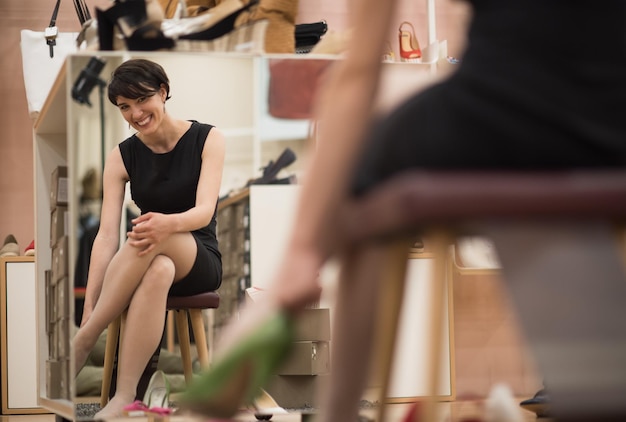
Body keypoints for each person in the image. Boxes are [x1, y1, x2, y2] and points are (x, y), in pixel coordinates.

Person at [180, 0, 626, 421]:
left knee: (365, 158)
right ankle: (592, 383)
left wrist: (300, 259)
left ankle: (337, 413)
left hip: (502, 108)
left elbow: (358, 72)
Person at [71, 58, 225, 419]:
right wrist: (90, 304)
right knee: (158, 268)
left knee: (151, 236)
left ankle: (87, 338)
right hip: (153, 256)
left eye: (141, 100)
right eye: (125, 107)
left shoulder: (208, 138)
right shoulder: (122, 156)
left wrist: (166, 225)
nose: (135, 114)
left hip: (199, 253)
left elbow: (203, 212)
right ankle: (125, 396)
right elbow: (106, 235)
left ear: (163, 92)